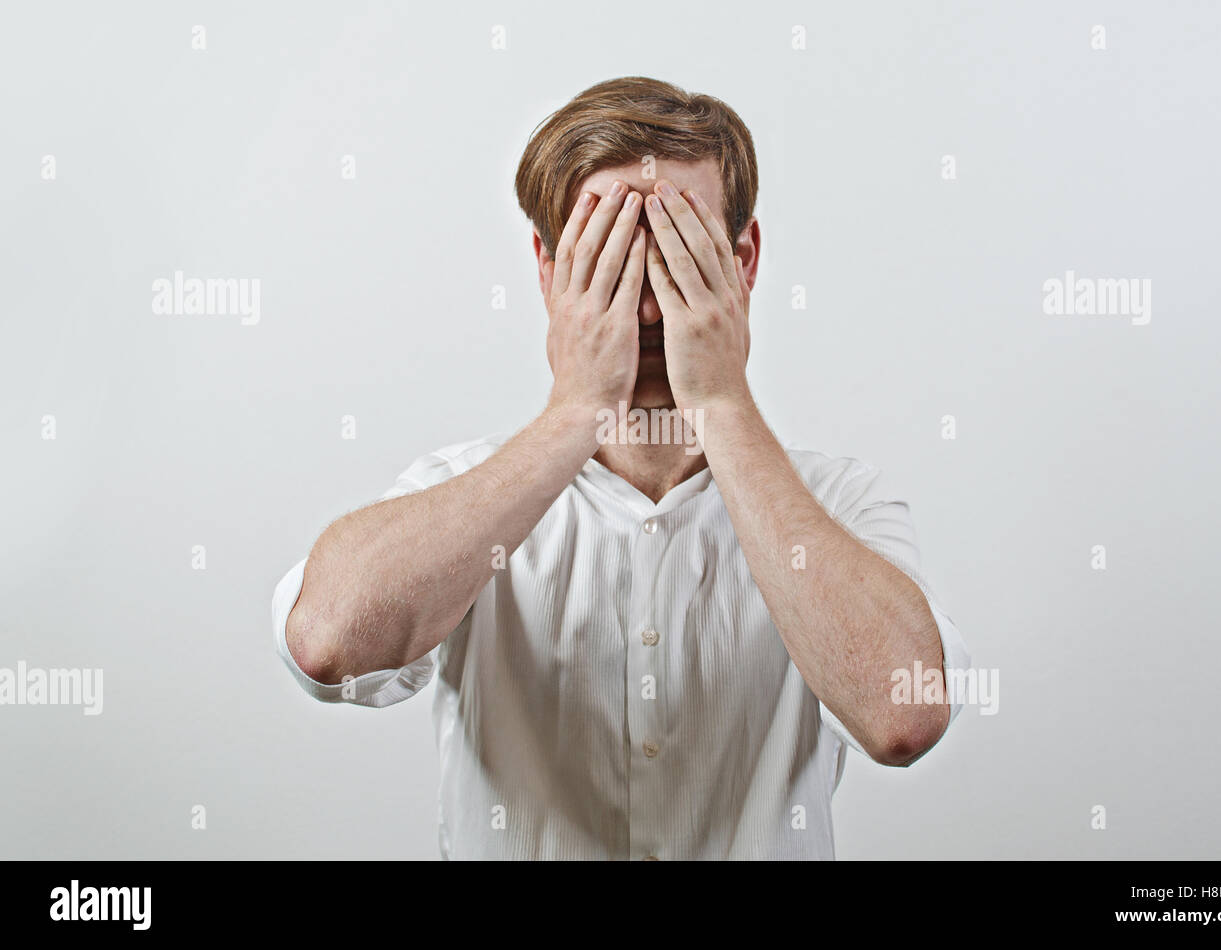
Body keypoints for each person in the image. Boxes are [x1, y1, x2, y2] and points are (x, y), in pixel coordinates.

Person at [272, 76, 971, 860]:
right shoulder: (461, 490)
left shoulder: (839, 503)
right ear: (548, 271)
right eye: (607, 261)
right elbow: (326, 642)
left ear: (742, 262)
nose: (644, 309)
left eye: (677, 255)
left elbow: (903, 717)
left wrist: (723, 403)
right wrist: (574, 413)